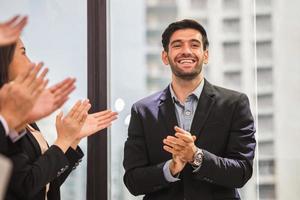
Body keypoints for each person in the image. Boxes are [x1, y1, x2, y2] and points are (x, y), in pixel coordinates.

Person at [123, 19, 256, 200]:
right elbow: (133, 181)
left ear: (205, 55)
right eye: (177, 45)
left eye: (194, 45)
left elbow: (241, 172)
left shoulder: (234, 104)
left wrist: (196, 156)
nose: (186, 51)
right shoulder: (143, 111)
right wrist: (170, 168)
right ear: (165, 56)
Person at [0, 39, 118, 199]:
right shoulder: (6, 120)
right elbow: (24, 186)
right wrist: (64, 140)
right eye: (23, 53)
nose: (30, 62)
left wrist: (72, 140)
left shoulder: (21, 117)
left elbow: (45, 183)